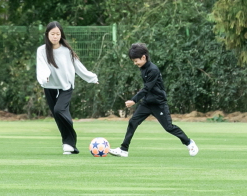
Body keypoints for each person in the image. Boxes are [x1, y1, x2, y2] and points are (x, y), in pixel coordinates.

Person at [110, 42, 198, 158]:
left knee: (168, 127)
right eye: (133, 61)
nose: (135, 63)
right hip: (147, 103)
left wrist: (134, 100)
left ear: (143, 57)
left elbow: (147, 88)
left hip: (158, 103)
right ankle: (123, 150)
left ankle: (189, 143)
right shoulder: (143, 68)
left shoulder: (153, 70)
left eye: (136, 61)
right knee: (133, 122)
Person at [36, 21, 99, 154]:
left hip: (66, 87)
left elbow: (78, 67)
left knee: (59, 110)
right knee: (58, 116)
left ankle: (70, 141)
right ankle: (68, 145)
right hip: (50, 87)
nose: (55, 36)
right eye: (52, 34)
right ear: (47, 35)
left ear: (61, 35)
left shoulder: (66, 51)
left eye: (57, 34)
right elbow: (42, 67)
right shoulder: (41, 50)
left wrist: (91, 77)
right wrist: (44, 77)